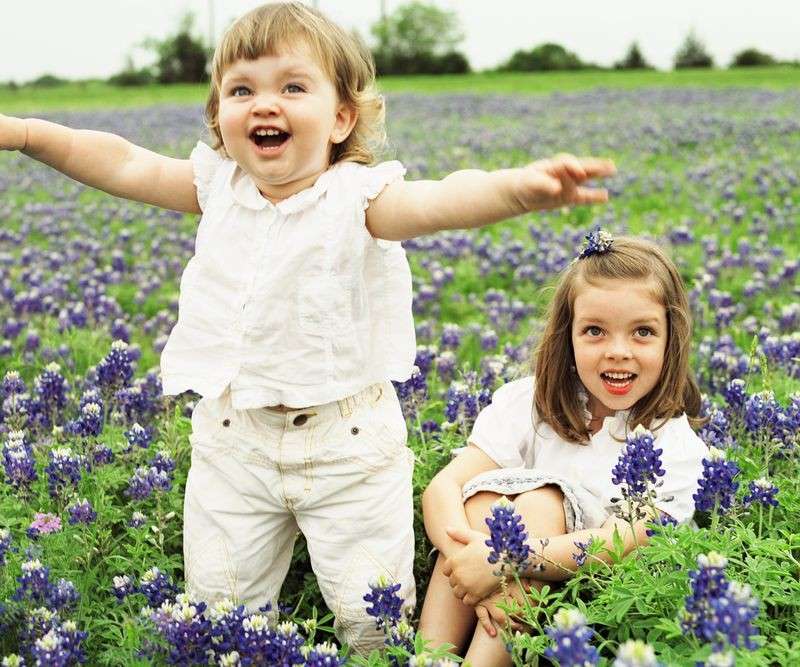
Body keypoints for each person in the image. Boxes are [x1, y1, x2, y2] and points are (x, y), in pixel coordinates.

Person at [0, 2, 616, 654]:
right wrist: (28, 133)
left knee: (371, 611)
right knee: (222, 610)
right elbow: (123, 161)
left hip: (347, 445)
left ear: (342, 117)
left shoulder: (360, 198)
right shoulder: (217, 186)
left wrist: (518, 189)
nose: (265, 104)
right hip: (234, 443)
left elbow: (439, 199)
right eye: (242, 90)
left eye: (293, 87)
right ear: (219, 117)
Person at [418, 232, 709, 666]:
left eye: (643, 332)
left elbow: (625, 540)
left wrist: (507, 561)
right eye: (594, 331)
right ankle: (429, 658)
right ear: (567, 336)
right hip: (487, 569)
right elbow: (443, 488)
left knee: (538, 503)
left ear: (672, 340)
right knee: (478, 501)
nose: (618, 352)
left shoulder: (673, 443)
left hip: (588, 594)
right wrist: (470, 565)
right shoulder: (530, 403)